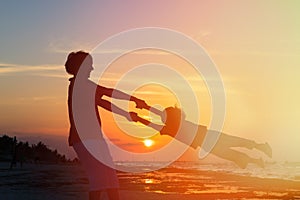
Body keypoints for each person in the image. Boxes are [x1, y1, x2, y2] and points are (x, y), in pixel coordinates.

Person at [65, 51, 146, 200]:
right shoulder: (80, 85)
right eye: (89, 65)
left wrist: (128, 114)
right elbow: (109, 93)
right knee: (99, 180)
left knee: (111, 179)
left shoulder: (84, 87)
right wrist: (134, 99)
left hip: (95, 138)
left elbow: (105, 103)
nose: (92, 69)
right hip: (84, 139)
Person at [133, 106, 272, 169]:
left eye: (164, 117)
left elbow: (153, 123)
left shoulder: (172, 127)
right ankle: (257, 159)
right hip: (206, 140)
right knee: (232, 151)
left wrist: (139, 117)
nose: (163, 119)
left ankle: (260, 147)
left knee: (233, 146)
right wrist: (144, 109)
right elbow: (159, 116)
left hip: (206, 139)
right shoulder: (176, 123)